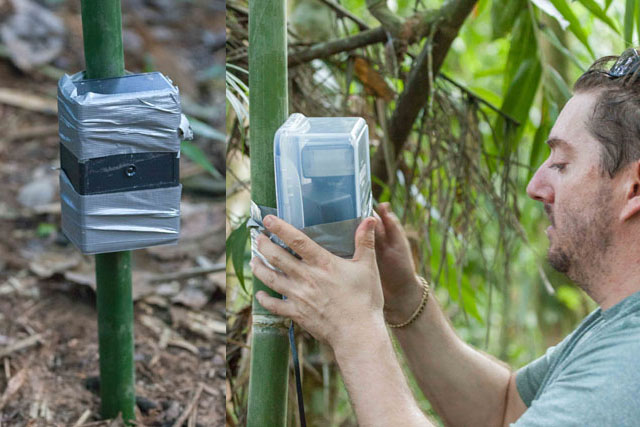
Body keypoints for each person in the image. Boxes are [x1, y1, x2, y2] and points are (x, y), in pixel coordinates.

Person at [250, 49, 640, 426]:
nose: (535, 186)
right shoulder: (618, 324)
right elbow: (502, 410)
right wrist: (401, 295)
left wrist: (354, 328)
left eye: (561, 164)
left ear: (634, 188)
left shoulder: (629, 367)